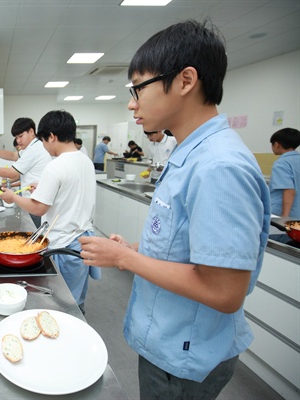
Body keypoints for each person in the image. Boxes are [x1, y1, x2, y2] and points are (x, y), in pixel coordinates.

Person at [79, 19, 270, 399]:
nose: (132, 103)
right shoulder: (191, 153)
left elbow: (224, 290)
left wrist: (124, 260)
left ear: (185, 81)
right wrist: (137, 250)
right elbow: (186, 250)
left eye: (138, 88)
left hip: (184, 356)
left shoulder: (219, 166)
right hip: (168, 341)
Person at [0, 110, 100, 311]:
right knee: (76, 298)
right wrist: (44, 188)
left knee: (62, 302)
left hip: (63, 244)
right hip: (82, 241)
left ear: (52, 136)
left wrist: (13, 197)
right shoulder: (85, 161)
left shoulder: (56, 166)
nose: (44, 147)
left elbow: (38, 208)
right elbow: (71, 193)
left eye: (44, 141)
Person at [0, 117, 52, 228]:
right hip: (32, 197)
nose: (18, 140)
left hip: (35, 199)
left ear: (31, 131)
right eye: (16, 137)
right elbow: (13, 155)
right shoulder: (31, 147)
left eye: (21, 136)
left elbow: (12, 173)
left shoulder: (33, 150)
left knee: (35, 233)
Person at [269, 127, 300, 218]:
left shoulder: (282, 163)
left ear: (276, 144)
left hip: (284, 214)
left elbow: (289, 191)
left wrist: (284, 218)